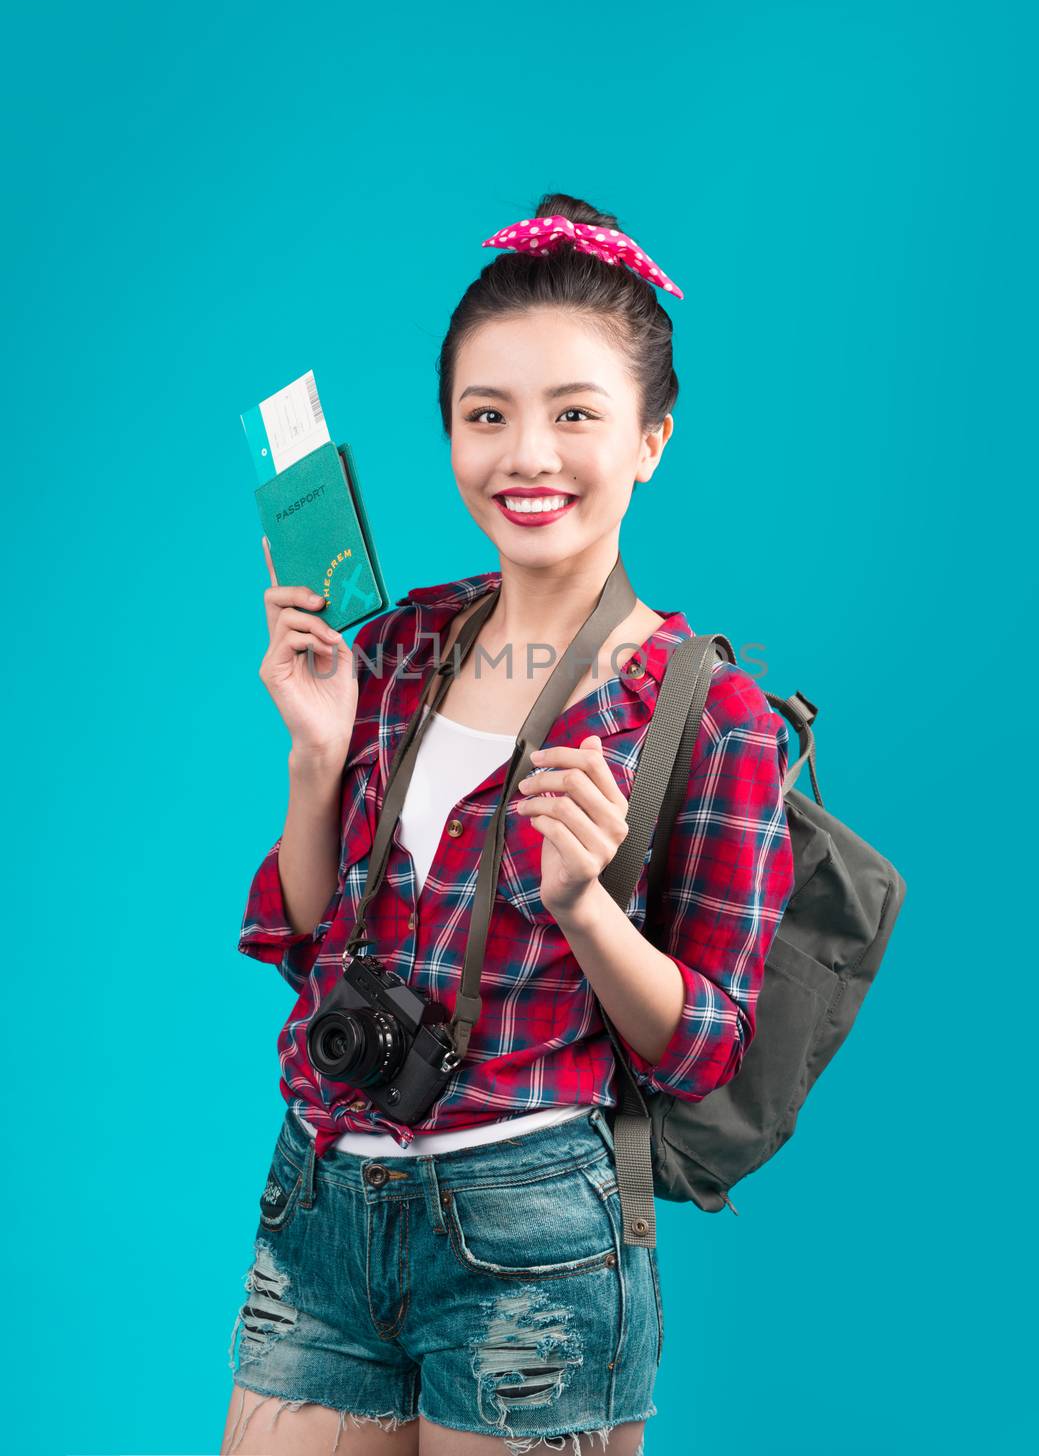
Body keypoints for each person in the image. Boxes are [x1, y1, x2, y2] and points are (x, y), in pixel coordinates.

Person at [220, 193, 795, 1456]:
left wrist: (587, 902)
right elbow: (312, 937)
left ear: (652, 436)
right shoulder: (406, 638)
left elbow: (704, 1051)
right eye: (488, 415)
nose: (527, 456)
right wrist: (319, 760)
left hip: (531, 1236)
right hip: (318, 1197)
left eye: (576, 414)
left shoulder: (712, 715)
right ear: (448, 434)